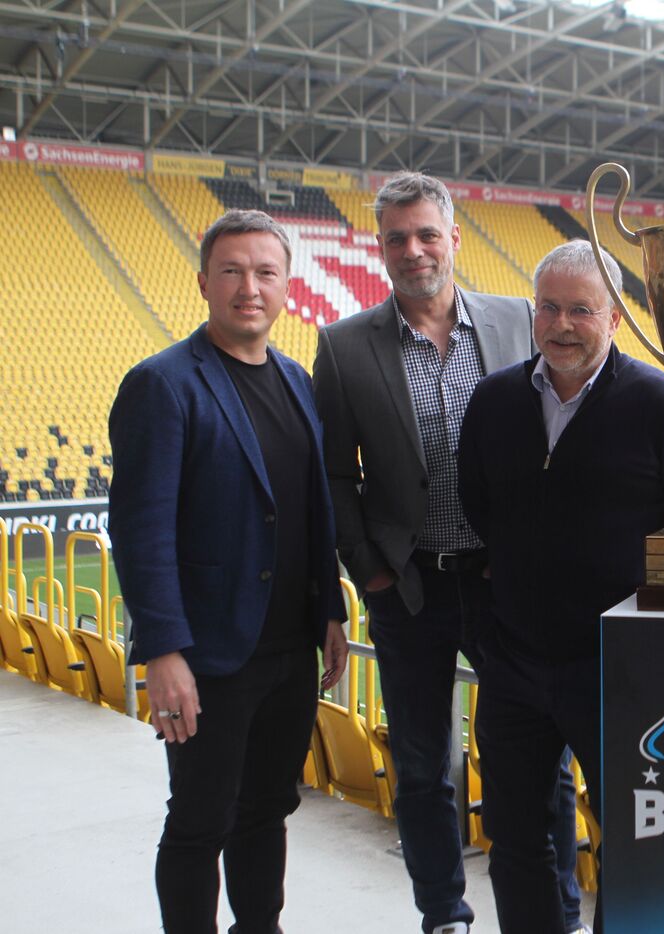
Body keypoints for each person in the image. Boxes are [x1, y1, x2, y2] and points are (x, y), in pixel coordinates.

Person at [311, 172, 571, 934]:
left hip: (506, 586)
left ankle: (558, 914)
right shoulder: (344, 346)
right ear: (381, 247)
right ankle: (444, 915)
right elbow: (334, 473)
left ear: (454, 237)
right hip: (411, 588)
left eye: (428, 234)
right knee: (424, 767)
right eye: (397, 238)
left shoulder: (520, 320)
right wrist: (371, 569)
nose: (414, 250)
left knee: (542, 762)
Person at [108, 209, 349, 933]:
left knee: (267, 808)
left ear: (286, 286)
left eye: (265, 272)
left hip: (288, 650)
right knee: (200, 820)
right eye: (233, 272)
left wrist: (329, 611)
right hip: (207, 656)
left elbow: (309, 509)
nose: (250, 287)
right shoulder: (162, 384)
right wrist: (164, 653)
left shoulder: (296, 379)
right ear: (204, 282)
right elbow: (142, 531)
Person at [457, 239, 664, 934]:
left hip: (618, 670)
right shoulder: (494, 400)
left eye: (581, 311)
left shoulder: (662, 404)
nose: (562, 325)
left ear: (615, 317)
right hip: (514, 663)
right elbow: (479, 507)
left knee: (634, 837)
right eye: (549, 308)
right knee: (516, 838)